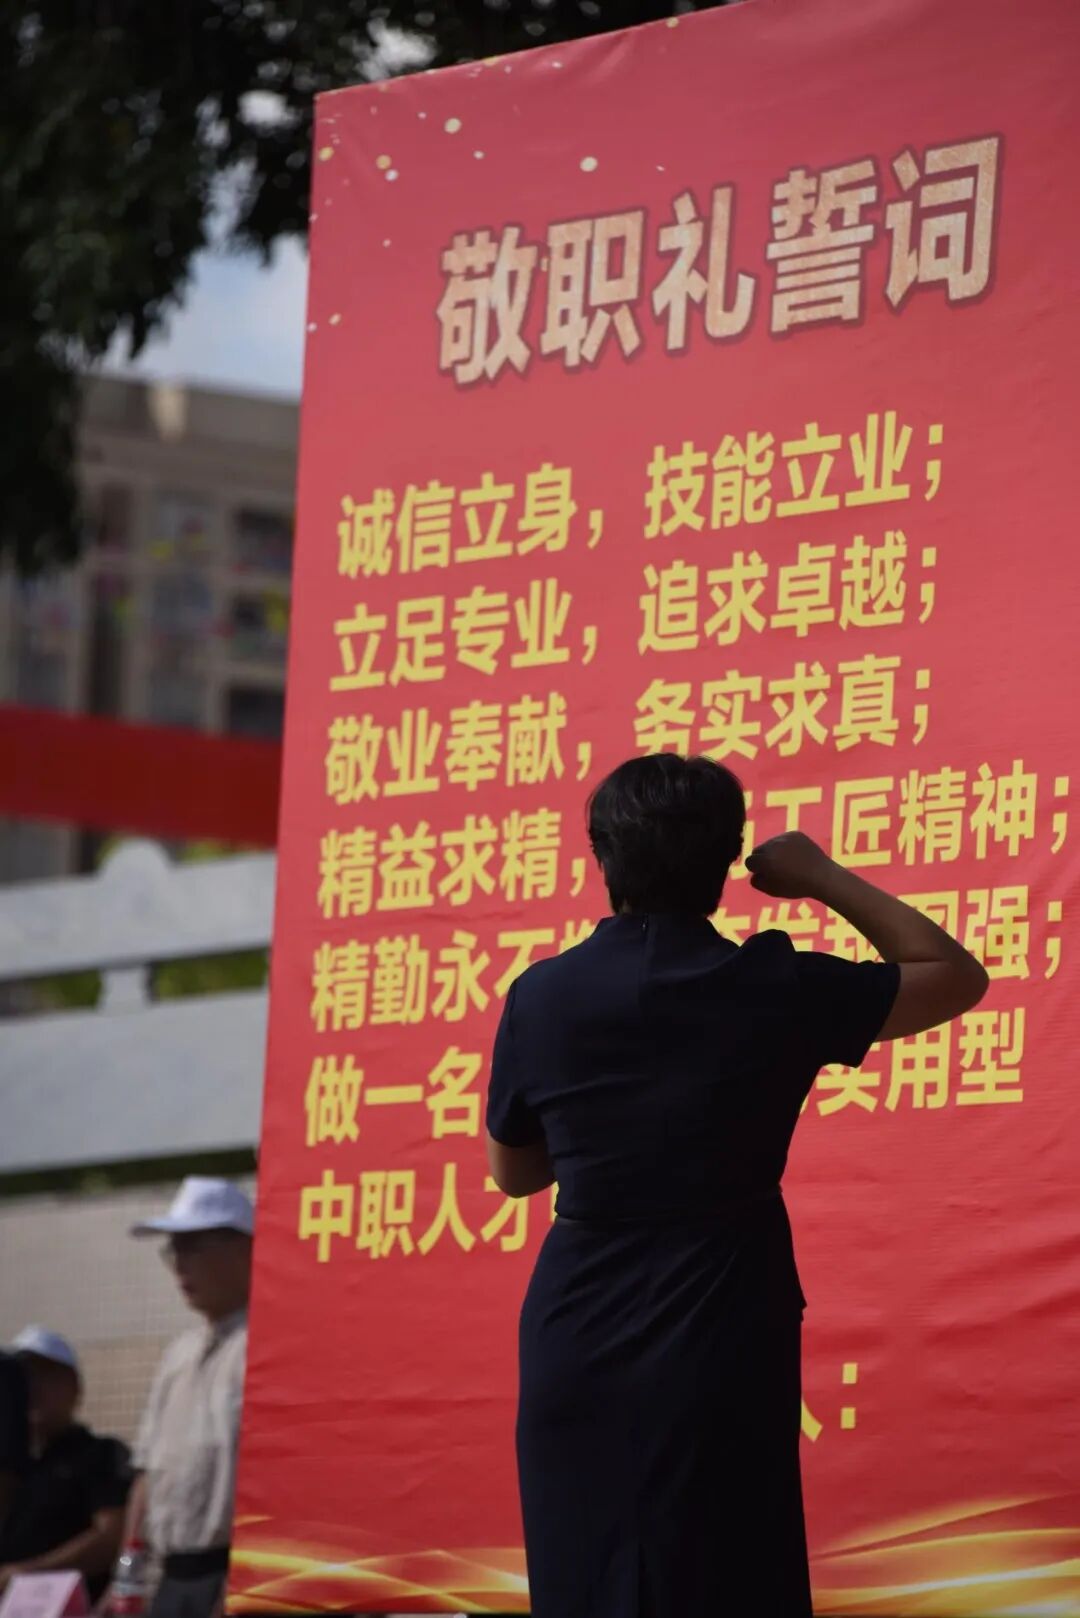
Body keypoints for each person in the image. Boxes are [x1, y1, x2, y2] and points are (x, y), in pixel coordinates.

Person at [485, 753, 989, 1618]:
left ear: (603, 856)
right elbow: (954, 975)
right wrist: (821, 875)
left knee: (587, 1578)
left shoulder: (541, 995)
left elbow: (515, 1173)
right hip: (721, 1319)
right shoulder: (772, 985)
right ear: (728, 861)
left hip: (578, 1328)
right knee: (729, 1573)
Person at [108, 1178, 253, 1618]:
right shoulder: (178, 1355)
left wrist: (248, 1583)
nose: (180, 1265)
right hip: (172, 1581)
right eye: (174, 1250)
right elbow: (147, 1475)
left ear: (245, 1248)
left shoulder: (271, 1347)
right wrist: (128, 1578)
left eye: (192, 1247)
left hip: (235, 1577)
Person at [0, 1328, 132, 1601]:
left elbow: (110, 1537)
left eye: (46, 1376)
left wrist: (29, 1573)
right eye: (24, 1378)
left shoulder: (100, 1455)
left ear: (74, 1387)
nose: (34, 1388)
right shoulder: (14, 1467)